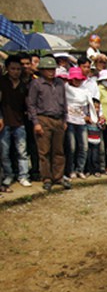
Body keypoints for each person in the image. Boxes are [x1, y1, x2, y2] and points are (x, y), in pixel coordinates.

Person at [26, 56, 68, 191]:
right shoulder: (36, 84)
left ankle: (58, 177)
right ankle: (47, 178)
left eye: (53, 69)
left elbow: (64, 102)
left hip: (58, 119)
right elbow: (31, 104)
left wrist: (65, 119)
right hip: (43, 118)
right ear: (42, 70)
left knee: (59, 150)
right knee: (44, 151)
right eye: (48, 69)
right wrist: (36, 122)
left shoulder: (60, 83)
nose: (51, 72)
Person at [0, 55, 32, 189]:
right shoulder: (2, 82)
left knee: (22, 152)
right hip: (4, 122)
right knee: (4, 152)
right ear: (7, 69)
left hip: (19, 123)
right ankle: (9, 175)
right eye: (13, 69)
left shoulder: (24, 85)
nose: (16, 71)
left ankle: (23, 176)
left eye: (18, 69)